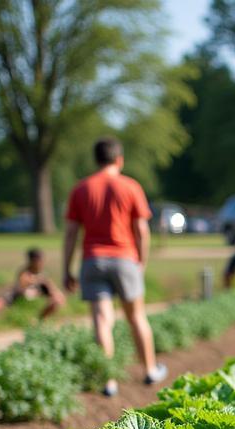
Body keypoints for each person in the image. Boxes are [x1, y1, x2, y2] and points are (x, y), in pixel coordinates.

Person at [62, 136, 166, 397]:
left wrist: (66, 269)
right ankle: (150, 370)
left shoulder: (81, 189)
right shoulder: (130, 187)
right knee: (136, 316)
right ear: (119, 160)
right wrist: (141, 261)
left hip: (92, 260)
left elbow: (71, 233)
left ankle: (108, 380)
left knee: (101, 319)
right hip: (124, 258)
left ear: (96, 160)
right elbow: (141, 230)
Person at [0, 248, 65, 319]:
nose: (42, 263)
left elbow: (53, 290)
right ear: (32, 261)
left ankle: (40, 319)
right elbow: (21, 287)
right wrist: (36, 282)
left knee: (56, 299)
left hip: (35, 301)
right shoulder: (25, 273)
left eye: (42, 260)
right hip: (19, 298)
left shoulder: (43, 275)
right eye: (40, 261)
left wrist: (53, 291)